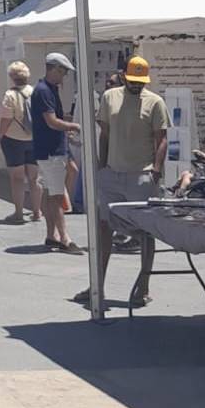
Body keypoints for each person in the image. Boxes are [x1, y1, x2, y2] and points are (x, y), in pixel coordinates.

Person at [75, 55, 169, 308]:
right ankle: (97, 286)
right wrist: (101, 166)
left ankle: (144, 285)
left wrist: (156, 170)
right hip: (112, 174)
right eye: (133, 80)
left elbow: (161, 138)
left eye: (141, 81)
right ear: (124, 75)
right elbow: (104, 134)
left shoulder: (155, 102)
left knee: (146, 232)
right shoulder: (109, 97)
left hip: (142, 174)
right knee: (104, 227)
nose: (137, 85)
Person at [32, 54, 83, 255]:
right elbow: (51, 121)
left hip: (52, 148)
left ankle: (51, 235)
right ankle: (64, 238)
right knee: (56, 195)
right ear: (52, 68)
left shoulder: (48, 89)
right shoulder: (44, 91)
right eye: (62, 71)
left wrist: (67, 126)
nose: (64, 76)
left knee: (50, 191)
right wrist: (74, 125)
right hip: (50, 151)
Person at [0, 60, 40, 226]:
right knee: (34, 178)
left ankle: (18, 212)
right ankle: (37, 211)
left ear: (11, 77)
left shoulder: (10, 95)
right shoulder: (35, 92)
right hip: (35, 139)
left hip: (14, 139)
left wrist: (0, 136)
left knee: (17, 178)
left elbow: (6, 119)